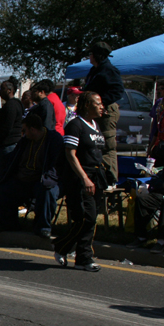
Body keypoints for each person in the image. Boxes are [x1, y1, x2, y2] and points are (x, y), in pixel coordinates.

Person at [53, 91, 106, 272]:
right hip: (80, 179)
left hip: (96, 177)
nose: (101, 107)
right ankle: (65, 247)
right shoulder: (75, 125)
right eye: (97, 103)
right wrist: (84, 178)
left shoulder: (96, 125)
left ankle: (81, 257)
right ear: (86, 105)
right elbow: (70, 153)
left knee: (91, 220)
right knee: (85, 217)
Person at [0, 113, 64, 237]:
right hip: (24, 179)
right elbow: (14, 160)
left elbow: (56, 166)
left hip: (44, 179)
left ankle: (42, 227)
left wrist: (47, 179)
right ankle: (9, 223)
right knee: (3, 188)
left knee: (46, 192)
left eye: (25, 130)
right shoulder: (25, 141)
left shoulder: (53, 139)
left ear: (32, 129)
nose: (23, 133)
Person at [83, 41, 124, 186]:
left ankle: (110, 178)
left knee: (106, 144)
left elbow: (118, 91)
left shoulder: (108, 70)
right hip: (93, 110)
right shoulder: (95, 70)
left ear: (98, 55)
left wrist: (101, 103)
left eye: (91, 54)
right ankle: (98, 175)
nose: (89, 56)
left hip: (106, 112)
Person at [0, 80, 25, 177]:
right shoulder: (15, 104)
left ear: (9, 90)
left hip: (8, 145)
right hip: (10, 144)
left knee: (6, 173)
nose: (0, 92)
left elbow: (5, 128)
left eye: (2, 89)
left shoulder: (11, 106)